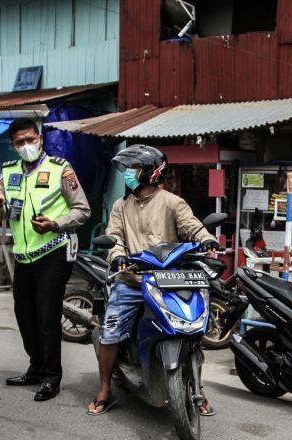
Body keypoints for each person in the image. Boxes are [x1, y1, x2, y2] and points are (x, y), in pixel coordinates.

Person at [86, 144, 221, 416]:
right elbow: (115, 238)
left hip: (168, 280)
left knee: (192, 331)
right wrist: (117, 256)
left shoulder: (172, 202)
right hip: (131, 280)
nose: (128, 174)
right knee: (110, 333)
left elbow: (192, 226)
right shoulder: (120, 206)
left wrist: (206, 240)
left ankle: (198, 388)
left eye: (132, 169)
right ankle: (104, 389)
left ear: (149, 172)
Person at [0, 118, 91, 402]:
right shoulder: (8, 173)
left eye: (30, 140)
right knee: (25, 315)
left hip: (53, 252)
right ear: (13, 145)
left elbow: (82, 210)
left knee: (47, 316)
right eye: (19, 142)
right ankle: (35, 367)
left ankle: (51, 377)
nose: (26, 146)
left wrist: (55, 223)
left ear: (40, 139)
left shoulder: (60, 169)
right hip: (23, 255)